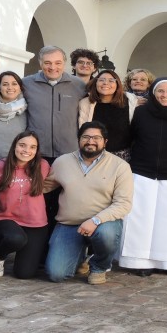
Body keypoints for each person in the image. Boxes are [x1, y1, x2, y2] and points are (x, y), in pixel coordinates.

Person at [44, 121, 134, 285]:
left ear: (105, 141)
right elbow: (44, 187)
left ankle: (99, 266)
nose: (90, 141)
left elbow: (123, 204)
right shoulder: (62, 162)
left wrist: (95, 220)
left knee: (106, 235)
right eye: (86, 137)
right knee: (56, 274)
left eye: (96, 138)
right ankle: (81, 257)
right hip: (69, 224)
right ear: (78, 139)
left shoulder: (120, 166)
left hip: (103, 224)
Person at [119, 78, 167, 276]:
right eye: (160, 91)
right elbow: (132, 136)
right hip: (142, 171)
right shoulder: (141, 112)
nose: (165, 95)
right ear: (153, 92)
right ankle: (139, 262)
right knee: (141, 218)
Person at [0, 131, 51, 279]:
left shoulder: (43, 166)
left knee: (24, 273)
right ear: (14, 146)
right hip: (6, 219)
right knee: (16, 238)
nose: (27, 150)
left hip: (36, 223)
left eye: (32, 147)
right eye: (22, 145)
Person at [22, 46, 87, 162]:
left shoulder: (79, 85)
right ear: (40, 63)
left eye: (58, 63)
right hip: (35, 151)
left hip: (70, 151)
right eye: (47, 63)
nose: (53, 67)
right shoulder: (26, 84)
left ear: (64, 63)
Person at [78, 69, 140, 161]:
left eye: (111, 80)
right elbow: (82, 130)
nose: (105, 83)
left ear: (117, 84)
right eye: (101, 80)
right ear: (96, 83)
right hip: (93, 155)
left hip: (122, 156)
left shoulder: (130, 102)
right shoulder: (86, 103)